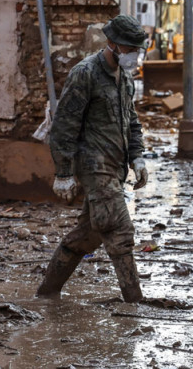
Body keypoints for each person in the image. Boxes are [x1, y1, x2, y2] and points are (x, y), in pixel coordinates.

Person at [36, 15, 149, 303]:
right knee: (120, 230)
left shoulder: (125, 78)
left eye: (138, 49)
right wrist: (63, 172)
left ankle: (47, 293)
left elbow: (131, 121)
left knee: (88, 235)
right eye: (129, 49)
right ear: (111, 44)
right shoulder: (84, 73)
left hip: (115, 167)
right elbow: (64, 125)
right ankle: (135, 304)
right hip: (93, 165)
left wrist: (137, 158)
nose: (134, 55)